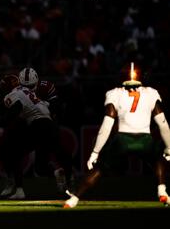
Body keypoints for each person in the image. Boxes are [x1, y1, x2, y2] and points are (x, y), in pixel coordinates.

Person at [65, 66, 170, 208]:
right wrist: (169, 147)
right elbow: (163, 124)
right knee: (159, 160)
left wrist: (95, 152)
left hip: (122, 140)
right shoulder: (151, 93)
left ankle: (74, 199)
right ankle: (162, 190)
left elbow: (107, 124)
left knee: (100, 169)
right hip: (145, 139)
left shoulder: (114, 93)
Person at [0, 74, 66, 199]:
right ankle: (56, 172)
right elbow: (45, 105)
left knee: (15, 154)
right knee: (40, 167)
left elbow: (17, 108)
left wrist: (3, 120)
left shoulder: (11, 95)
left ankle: (19, 190)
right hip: (50, 124)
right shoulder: (28, 91)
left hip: (38, 124)